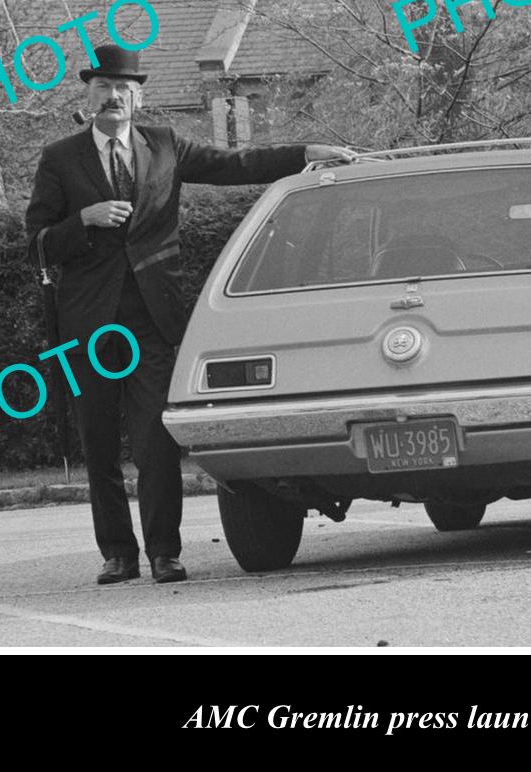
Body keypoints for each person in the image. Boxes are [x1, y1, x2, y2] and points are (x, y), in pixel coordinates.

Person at [25, 44, 350, 585]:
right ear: (88, 93)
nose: (114, 97)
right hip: (89, 326)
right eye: (104, 87)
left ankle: (163, 552)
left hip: (153, 318)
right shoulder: (61, 158)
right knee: (99, 443)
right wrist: (83, 219)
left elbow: (235, 165)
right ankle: (117, 554)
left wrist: (307, 152)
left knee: (156, 442)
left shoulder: (166, 144)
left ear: (139, 98)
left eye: (124, 89)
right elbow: (36, 244)